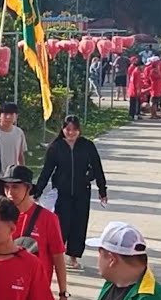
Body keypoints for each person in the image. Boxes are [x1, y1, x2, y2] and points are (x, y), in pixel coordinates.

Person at [34, 115, 108, 270]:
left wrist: (102, 190)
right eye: (68, 129)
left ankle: (73, 257)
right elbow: (47, 171)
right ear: (63, 130)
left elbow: (97, 168)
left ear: (79, 130)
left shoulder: (87, 146)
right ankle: (58, 255)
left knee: (79, 224)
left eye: (74, 129)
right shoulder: (56, 147)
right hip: (62, 193)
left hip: (82, 192)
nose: (71, 132)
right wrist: (37, 191)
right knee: (62, 224)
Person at [1, 166, 70, 300]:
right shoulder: (0, 217)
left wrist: (63, 295)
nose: (9, 193)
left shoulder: (48, 219)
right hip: (6, 294)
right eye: (7, 187)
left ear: (28, 188)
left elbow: (58, 259)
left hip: (35, 296)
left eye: (15, 187)